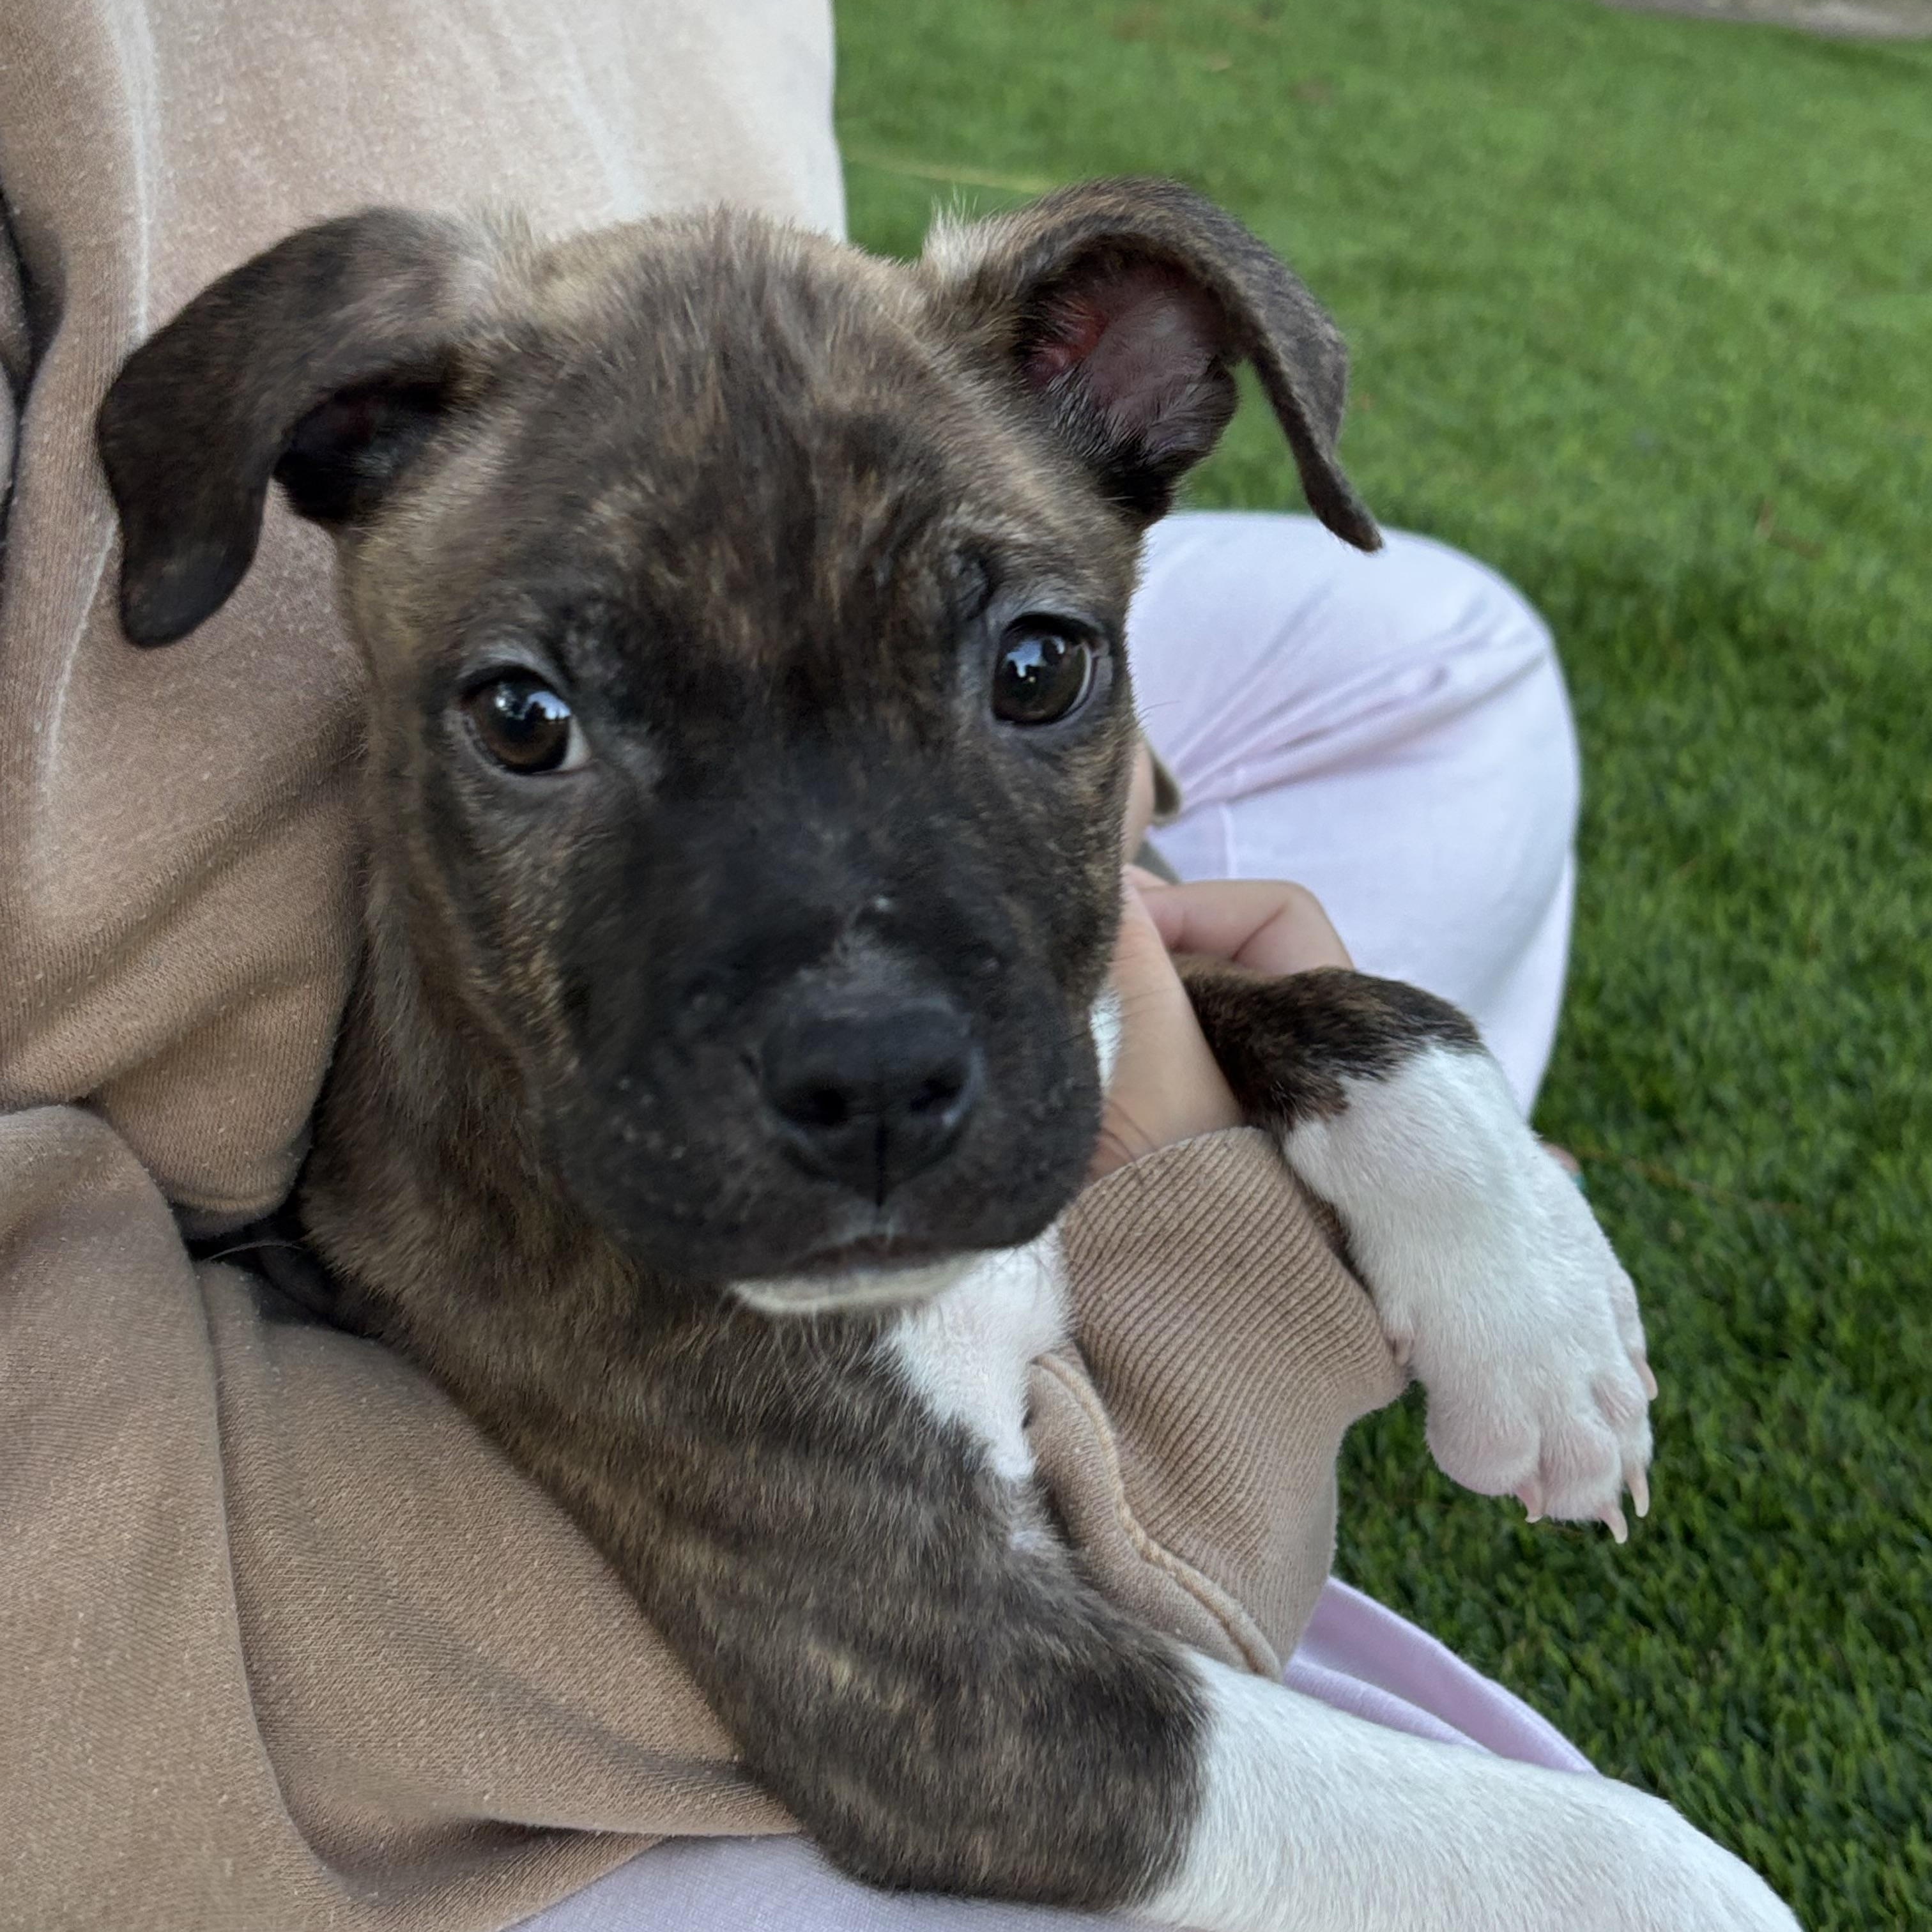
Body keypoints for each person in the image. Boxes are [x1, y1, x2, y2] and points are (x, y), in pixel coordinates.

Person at [0, 4, 1591, 1927]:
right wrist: (1196, 1278)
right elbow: (981, 1744)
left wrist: (1353, 1065)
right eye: (535, 718)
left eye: (1029, 674)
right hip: (283, 1453)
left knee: (1444, 656)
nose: (865, 1036)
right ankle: (1120, 1428)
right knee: (1570, 1841)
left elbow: (836, 511)